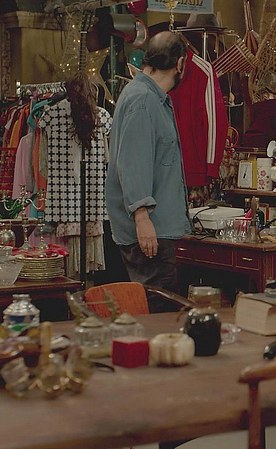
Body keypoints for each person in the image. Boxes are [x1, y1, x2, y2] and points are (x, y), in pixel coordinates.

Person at [106, 31, 191, 300]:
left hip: (157, 229)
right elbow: (132, 162)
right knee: (158, 309)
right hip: (151, 231)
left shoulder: (151, 97)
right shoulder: (143, 99)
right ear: (180, 64)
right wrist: (142, 218)